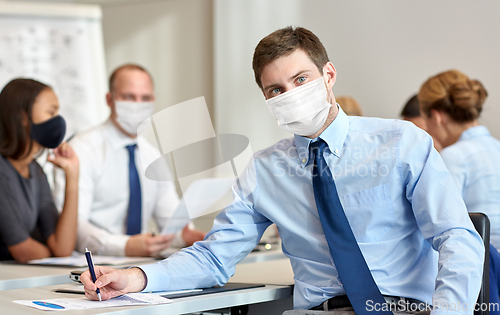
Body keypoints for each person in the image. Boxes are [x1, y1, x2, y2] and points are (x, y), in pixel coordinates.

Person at [82, 28, 484, 314]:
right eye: (275, 90)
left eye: (301, 79)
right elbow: (213, 257)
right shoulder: (264, 169)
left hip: (405, 310)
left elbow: (456, 237)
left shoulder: (401, 142)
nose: (289, 95)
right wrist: (136, 277)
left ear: (328, 76)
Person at [64, 64, 205, 257]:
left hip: (141, 265)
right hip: (90, 266)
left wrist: (189, 236)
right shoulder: (82, 150)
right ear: (109, 99)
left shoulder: (152, 156)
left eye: (145, 98)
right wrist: (125, 246)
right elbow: (73, 225)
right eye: (129, 97)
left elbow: (170, 221)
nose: (137, 105)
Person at [418, 70, 500, 312]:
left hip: (487, 274)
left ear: (436, 116)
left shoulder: (453, 157)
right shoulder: (497, 148)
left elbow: (442, 225)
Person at [0, 78, 79, 262]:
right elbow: (23, 250)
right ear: (23, 117)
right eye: (51, 112)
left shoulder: (35, 170)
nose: (58, 121)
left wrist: (72, 176)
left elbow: (62, 247)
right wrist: (52, 256)